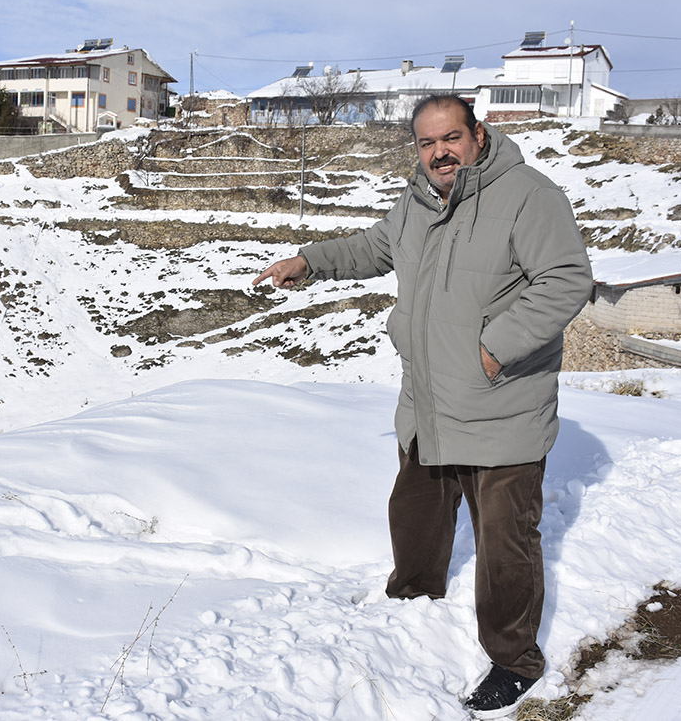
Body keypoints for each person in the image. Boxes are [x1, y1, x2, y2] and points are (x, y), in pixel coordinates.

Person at [253, 95, 592, 719]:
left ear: (478, 135)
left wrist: (496, 348)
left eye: (451, 137)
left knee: (505, 542)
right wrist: (310, 260)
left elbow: (566, 279)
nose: (439, 152)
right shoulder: (417, 201)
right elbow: (374, 248)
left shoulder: (528, 196)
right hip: (429, 400)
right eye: (427, 142)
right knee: (415, 512)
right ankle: (412, 601)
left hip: (501, 405)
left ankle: (516, 659)